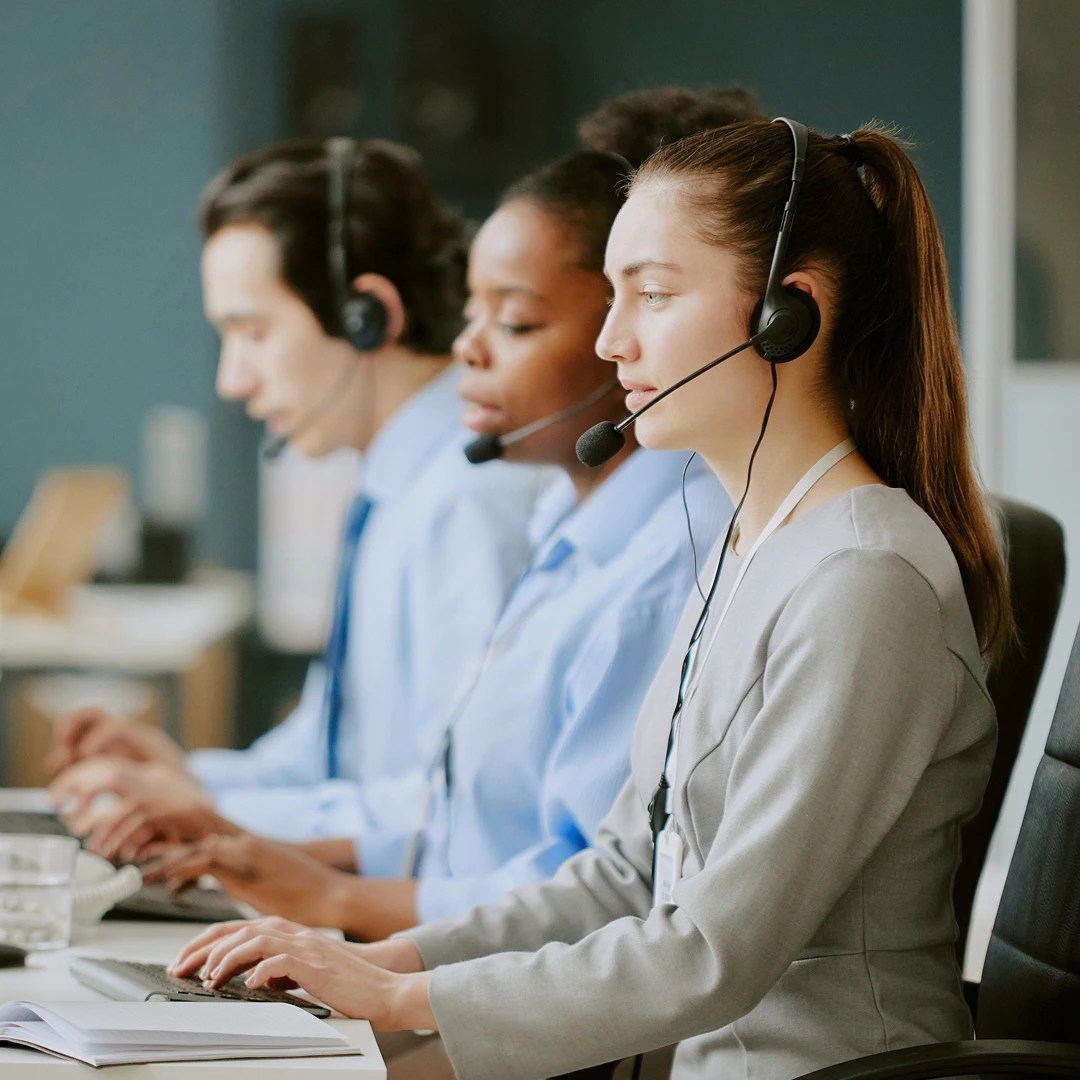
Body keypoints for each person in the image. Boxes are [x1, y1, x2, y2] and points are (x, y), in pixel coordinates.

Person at [171, 118, 1011, 1080]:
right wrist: (380, 961)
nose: (613, 340)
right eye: (614, 297)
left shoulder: (866, 581)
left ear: (789, 311)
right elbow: (620, 877)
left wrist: (404, 1002)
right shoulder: (746, 544)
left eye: (652, 295)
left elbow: (712, 952)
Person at [88, 91, 756, 947]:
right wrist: (203, 797)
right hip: (455, 946)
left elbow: (582, 877)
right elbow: (427, 786)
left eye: (252, 331)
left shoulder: (498, 507)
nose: (232, 378)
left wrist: (297, 876)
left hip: (502, 971)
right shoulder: (552, 512)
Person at [47, 138, 546, 876]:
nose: (231, 379)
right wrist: (184, 780)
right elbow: (329, 755)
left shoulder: (471, 501)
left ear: (365, 315)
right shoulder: (398, 487)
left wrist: (201, 809)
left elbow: (454, 809)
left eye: (252, 331)